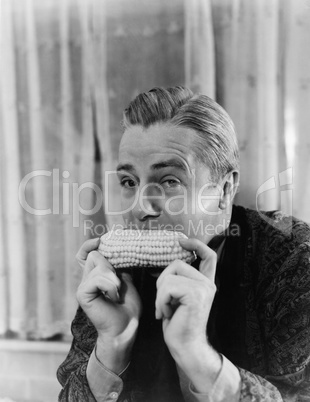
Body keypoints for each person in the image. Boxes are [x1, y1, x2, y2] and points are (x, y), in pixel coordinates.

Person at [57, 86, 310, 401]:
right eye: (128, 182)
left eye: (169, 181)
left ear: (224, 190)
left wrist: (197, 355)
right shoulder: (112, 277)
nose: (140, 207)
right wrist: (112, 344)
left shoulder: (294, 256)